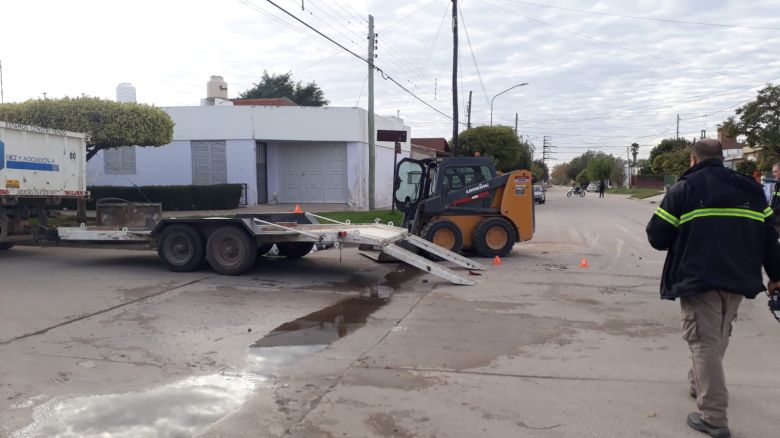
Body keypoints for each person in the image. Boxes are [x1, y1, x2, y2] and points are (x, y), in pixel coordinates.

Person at [646, 139, 780, 438]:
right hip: (738, 277)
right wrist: (776, 276)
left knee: (704, 341)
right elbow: (770, 237)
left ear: (693, 160)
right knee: (718, 334)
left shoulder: (685, 189)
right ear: (721, 158)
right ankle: (699, 382)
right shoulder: (752, 189)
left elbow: (657, 236)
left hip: (699, 278)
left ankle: (714, 417)